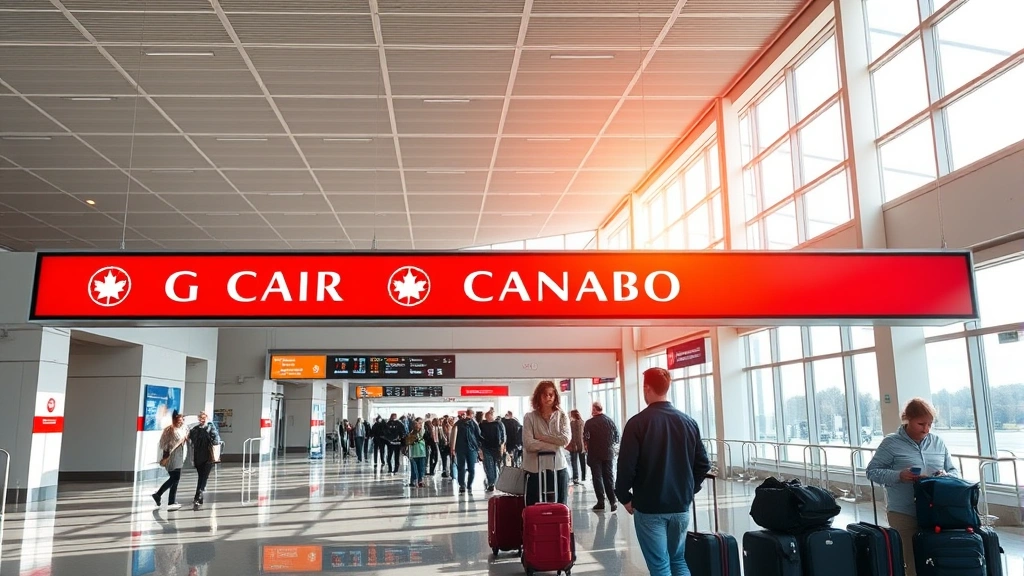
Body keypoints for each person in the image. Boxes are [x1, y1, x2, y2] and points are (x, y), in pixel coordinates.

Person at [616, 367, 710, 576]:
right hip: (680, 506)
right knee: (678, 560)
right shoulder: (688, 422)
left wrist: (625, 497)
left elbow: (625, 467)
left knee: (660, 565)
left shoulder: (637, 423)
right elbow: (703, 464)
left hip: (650, 507)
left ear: (647, 388)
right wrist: (688, 490)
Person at [866, 398, 959, 576]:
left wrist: (946, 476)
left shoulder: (938, 442)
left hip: (936, 513)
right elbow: (872, 472)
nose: (926, 429)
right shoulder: (891, 443)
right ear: (907, 419)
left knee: (937, 559)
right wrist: (899, 475)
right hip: (903, 512)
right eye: (921, 424)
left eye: (930, 424)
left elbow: (954, 471)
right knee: (911, 561)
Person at [523, 380, 572, 506]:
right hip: (534, 469)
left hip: (558, 466)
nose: (548, 398)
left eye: (551, 394)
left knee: (560, 506)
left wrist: (542, 437)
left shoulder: (561, 416)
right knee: (534, 506)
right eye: (544, 394)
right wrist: (554, 444)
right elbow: (529, 444)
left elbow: (565, 439)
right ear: (538, 396)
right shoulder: (529, 417)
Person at [584, 401, 619, 512]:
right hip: (608, 453)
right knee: (609, 477)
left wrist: (587, 448)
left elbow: (586, 438)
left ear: (594, 409)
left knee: (597, 477)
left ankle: (601, 501)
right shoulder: (609, 421)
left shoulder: (589, 423)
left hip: (594, 454)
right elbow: (616, 437)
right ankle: (613, 501)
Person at [153, 411, 188, 510]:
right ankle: (158, 494)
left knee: (175, 480)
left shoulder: (178, 429)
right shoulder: (171, 430)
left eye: (182, 421)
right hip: (173, 458)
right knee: (174, 478)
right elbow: (169, 444)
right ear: (175, 420)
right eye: (179, 421)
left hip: (178, 458)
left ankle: (171, 501)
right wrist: (181, 439)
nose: (181, 422)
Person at [188, 410, 222, 511]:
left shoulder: (198, 429)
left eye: (204, 418)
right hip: (203, 456)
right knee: (203, 476)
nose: (202, 420)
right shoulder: (206, 428)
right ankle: (199, 494)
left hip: (203, 456)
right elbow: (216, 440)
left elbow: (192, 440)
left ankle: (198, 495)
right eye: (201, 418)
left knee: (203, 476)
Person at [450, 407, 484, 494]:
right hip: (469, 449)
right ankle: (466, 485)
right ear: (472, 414)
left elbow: (453, 435)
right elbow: (478, 435)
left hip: (463, 448)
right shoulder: (470, 423)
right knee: (470, 468)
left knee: (463, 468)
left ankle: (464, 485)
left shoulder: (461, 423)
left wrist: (453, 448)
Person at [479, 409, 506, 492]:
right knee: (489, 465)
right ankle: (491, 483)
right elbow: (479, 437)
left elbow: (503, 436)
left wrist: (502, 447)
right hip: (486, 448)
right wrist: (480, 449)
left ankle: (497, 482)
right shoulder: (482, 424)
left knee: (497, 465)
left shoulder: (499, 424)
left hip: (496, 448)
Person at [568, 409, 587, 486]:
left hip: (573, 445)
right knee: (582, 462)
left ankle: (575, 478)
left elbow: (570, 435)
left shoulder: (571, 424)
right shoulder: (582, 422)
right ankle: (583, 477)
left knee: (574, 462)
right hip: (581, 445)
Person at [407, 418, 427, 488]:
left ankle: (420, 480)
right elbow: (409, 443)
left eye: (418, 424)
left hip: (422, 453)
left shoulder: (422, 432)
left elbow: (424, 427)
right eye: (415, 425)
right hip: (414, 455)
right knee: (414, 469)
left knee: (421, 468)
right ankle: (414, 481)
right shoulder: (410, 434)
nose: (417, 426)